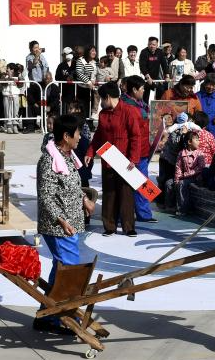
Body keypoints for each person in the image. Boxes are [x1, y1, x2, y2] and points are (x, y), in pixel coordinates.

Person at [34, 114, 97, 333]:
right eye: (78, 133)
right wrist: (61, 220)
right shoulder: (48, 161)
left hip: (70, 224)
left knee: (61, 269)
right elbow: (46, 196)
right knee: (69, 271)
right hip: (58, 226)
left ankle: (45, 315)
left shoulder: (67, 156)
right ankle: (58, 318)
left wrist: (84, 199)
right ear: (66, 136)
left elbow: (71, 185)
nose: (81, 137)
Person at [87, 82, 140, 237]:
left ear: (108, 97)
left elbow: (135, 136)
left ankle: (128, 227)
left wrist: (133, 158)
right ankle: (109, 225)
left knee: (126, 194)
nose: (101, 103)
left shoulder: (129, 111)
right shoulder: (103, 114)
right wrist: (90, 152)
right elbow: (98, 135)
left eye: (101, 99)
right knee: (109, 193)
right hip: (108, 160)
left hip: (125, 161)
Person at [119, 75, 155, 224]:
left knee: (142, 183)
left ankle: (143, 213)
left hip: (143, 149)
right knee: (129, 184)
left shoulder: (140, 104)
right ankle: (126, 213)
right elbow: (132, 133)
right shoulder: (127, 106)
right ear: (134, 90)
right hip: (133, 151)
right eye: (142, 88)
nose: (143, 91)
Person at [172, 130, 207, 214]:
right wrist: (176, 180)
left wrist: (185, 175)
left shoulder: (200, 154)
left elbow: (200, 167)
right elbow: (178, 167)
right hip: (184, 177)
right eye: (196, 140)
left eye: (198, 140)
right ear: (189, 142)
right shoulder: (181, 153)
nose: (199, 142)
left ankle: (182, 209)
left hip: (196, 178)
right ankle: (169, 206)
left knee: (182, 184)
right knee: (169, 183)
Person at [139, 37, 168, 102]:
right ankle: (145, 107)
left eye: (153, 44)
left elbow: (164, 64)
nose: (151, 46)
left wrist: (167, 75)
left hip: (156, 78)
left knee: (160, 91)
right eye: (150, 44)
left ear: (157, 45)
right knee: (145, 96)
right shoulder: (144, 52)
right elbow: (142, 66)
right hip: (146, 78)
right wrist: (148, 77)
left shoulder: (159, 52)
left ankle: (158, 106)